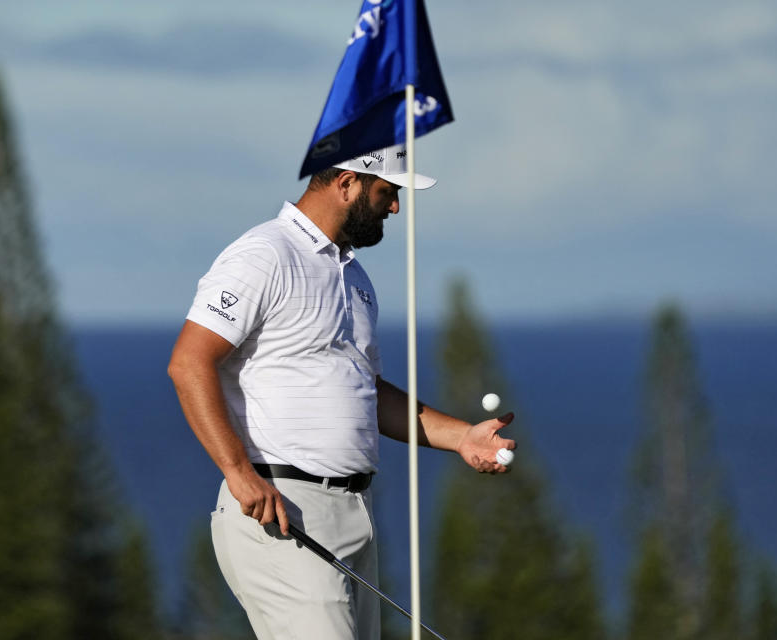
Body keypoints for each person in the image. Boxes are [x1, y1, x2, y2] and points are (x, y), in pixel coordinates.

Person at [168, 143, 516, 640]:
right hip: (281, 511)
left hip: (355, 516)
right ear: (347, 183)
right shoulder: (265, 254)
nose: (395, 207)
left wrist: (462, 437)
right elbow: (188, 362)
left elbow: (367, 393)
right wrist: (237, 472)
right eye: (387, 192)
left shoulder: (354, 277)